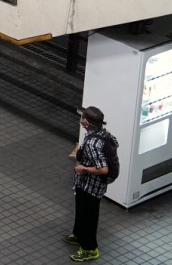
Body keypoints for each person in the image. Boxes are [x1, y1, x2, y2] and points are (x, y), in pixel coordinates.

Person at [64, 106, 116, 262]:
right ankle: (78, 235)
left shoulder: (94, 143)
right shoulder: (102, 134)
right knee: (81, 210)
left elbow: (104, 169)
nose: (81, 121)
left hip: (92, 186)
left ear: (87, 123)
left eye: (83, 119)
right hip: (84, 184)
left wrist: (83, 168)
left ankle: (89, 248)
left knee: (89, 216)